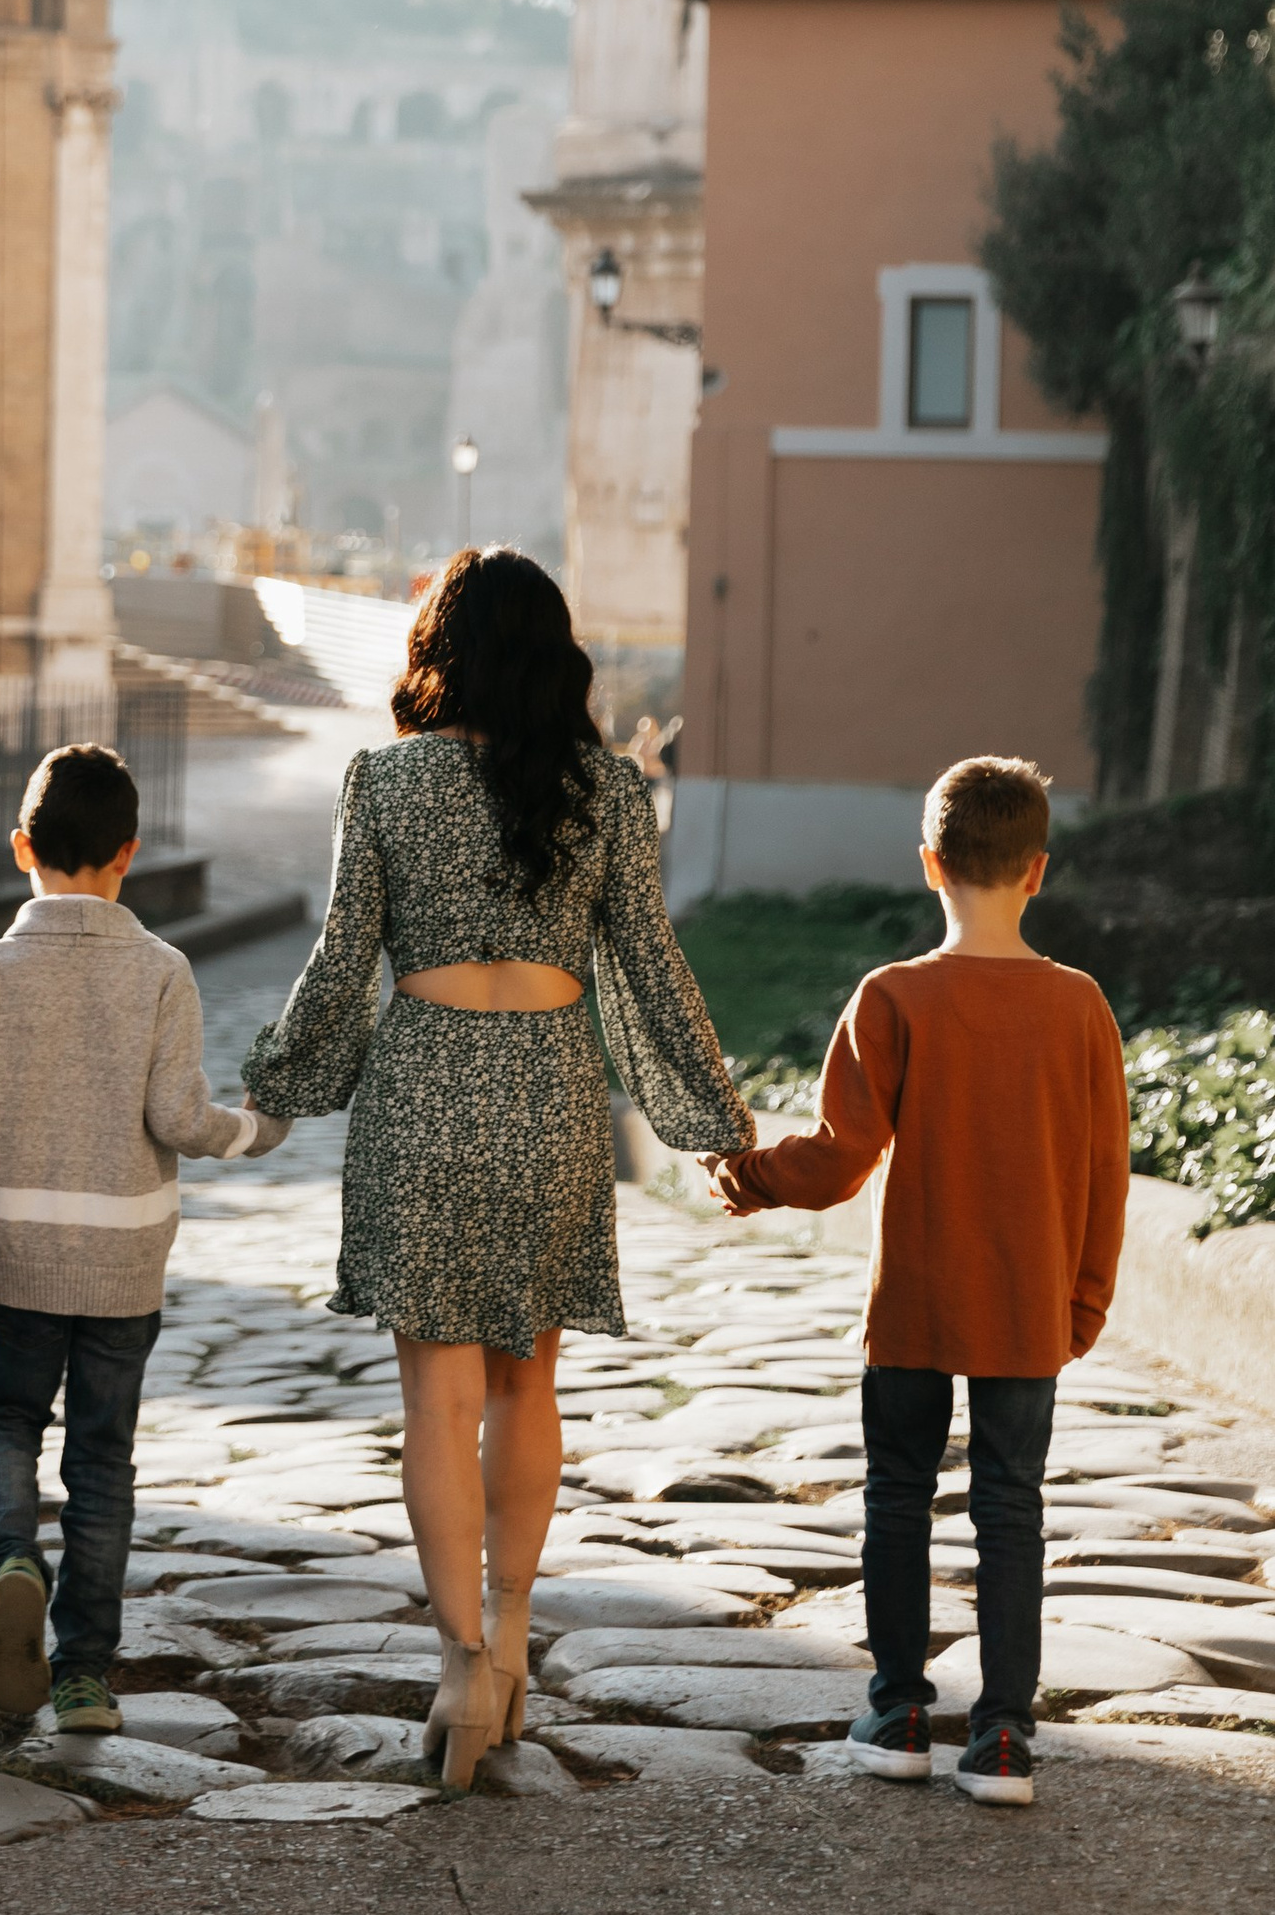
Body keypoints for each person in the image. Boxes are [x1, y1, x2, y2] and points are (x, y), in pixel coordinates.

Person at [240, 547, 754, 1791]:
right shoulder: (608, 789)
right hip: (551, 1092)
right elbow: (649, 971)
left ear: (441, 650)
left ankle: (460, 1659)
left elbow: (341, 959)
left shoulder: (387, 780)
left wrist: (278, 1085)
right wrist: (713, 1124)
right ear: (555, 653)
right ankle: (515, 1634)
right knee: (529, 1385)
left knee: (437, 1403)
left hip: (422, 1087)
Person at [711, 755, 1130, 1809]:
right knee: (1011, 1509)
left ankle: (897, 1710)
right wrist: (1084, 1300)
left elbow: (841, 1158)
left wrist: (747, 1175)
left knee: (896, 1499)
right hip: (1029, 1308)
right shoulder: (1080, 1007)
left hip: (912, 1308)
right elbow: (1103, 1174)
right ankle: (1001, 1740)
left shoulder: (892, 996)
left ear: (929, 865)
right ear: (1036, 871)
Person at [0, 740, 288, 1730]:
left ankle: (10, 1561)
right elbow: (179, 1118)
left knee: (5, 1425)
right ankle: (84, 1674)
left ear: (19, 849)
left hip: (12, 1257)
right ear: (127, 852)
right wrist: (257, 1127)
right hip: (123, 1265)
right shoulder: (162, 971)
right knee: (101, 1461)